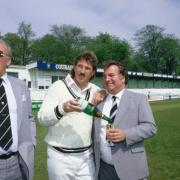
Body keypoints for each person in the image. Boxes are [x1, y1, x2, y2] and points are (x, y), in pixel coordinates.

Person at [38, 50, 103, 180]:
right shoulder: (57, 86)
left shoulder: (95, 90)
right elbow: (41, 119)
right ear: (74, 67)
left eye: (87, 68)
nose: (82, 71)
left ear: (93, 72)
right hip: (60, 157)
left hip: (86, 157)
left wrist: (104, 92)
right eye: (80, 66)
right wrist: (62, 109)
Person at [93, 61, 157, 180]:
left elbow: (150, 127)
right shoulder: (99, 101)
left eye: (111, 75)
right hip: (104, 169)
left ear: (123, 78)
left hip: (131, 167)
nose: (107, 79)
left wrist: (126, 135)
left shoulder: (139, 99)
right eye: (104, 76)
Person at [0, 39, 36, 180]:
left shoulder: (21, 86)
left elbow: (29, 117)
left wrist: (31, 143)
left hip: (17, 163)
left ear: (8, 61)